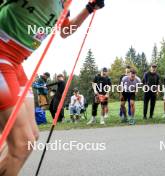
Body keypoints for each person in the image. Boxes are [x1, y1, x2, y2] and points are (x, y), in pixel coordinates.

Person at [0, 1, 104, 174]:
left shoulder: (64, 4)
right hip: (2, 55)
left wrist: (89, 8)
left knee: (31, 138)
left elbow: (65, 31)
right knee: (21, 143)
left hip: (16, 64)